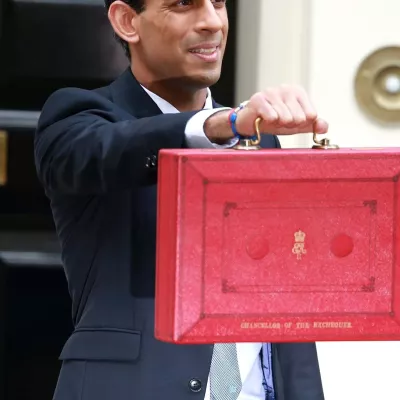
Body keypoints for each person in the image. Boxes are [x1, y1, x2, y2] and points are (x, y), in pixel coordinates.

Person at [34, 0, 327, 399]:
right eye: (183, 5)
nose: (211, 21)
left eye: (219, 3)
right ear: (127, 21)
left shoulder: (261, 138)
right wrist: (219, 126)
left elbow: (286, 298)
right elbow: (113, 149)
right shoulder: (79, 118)